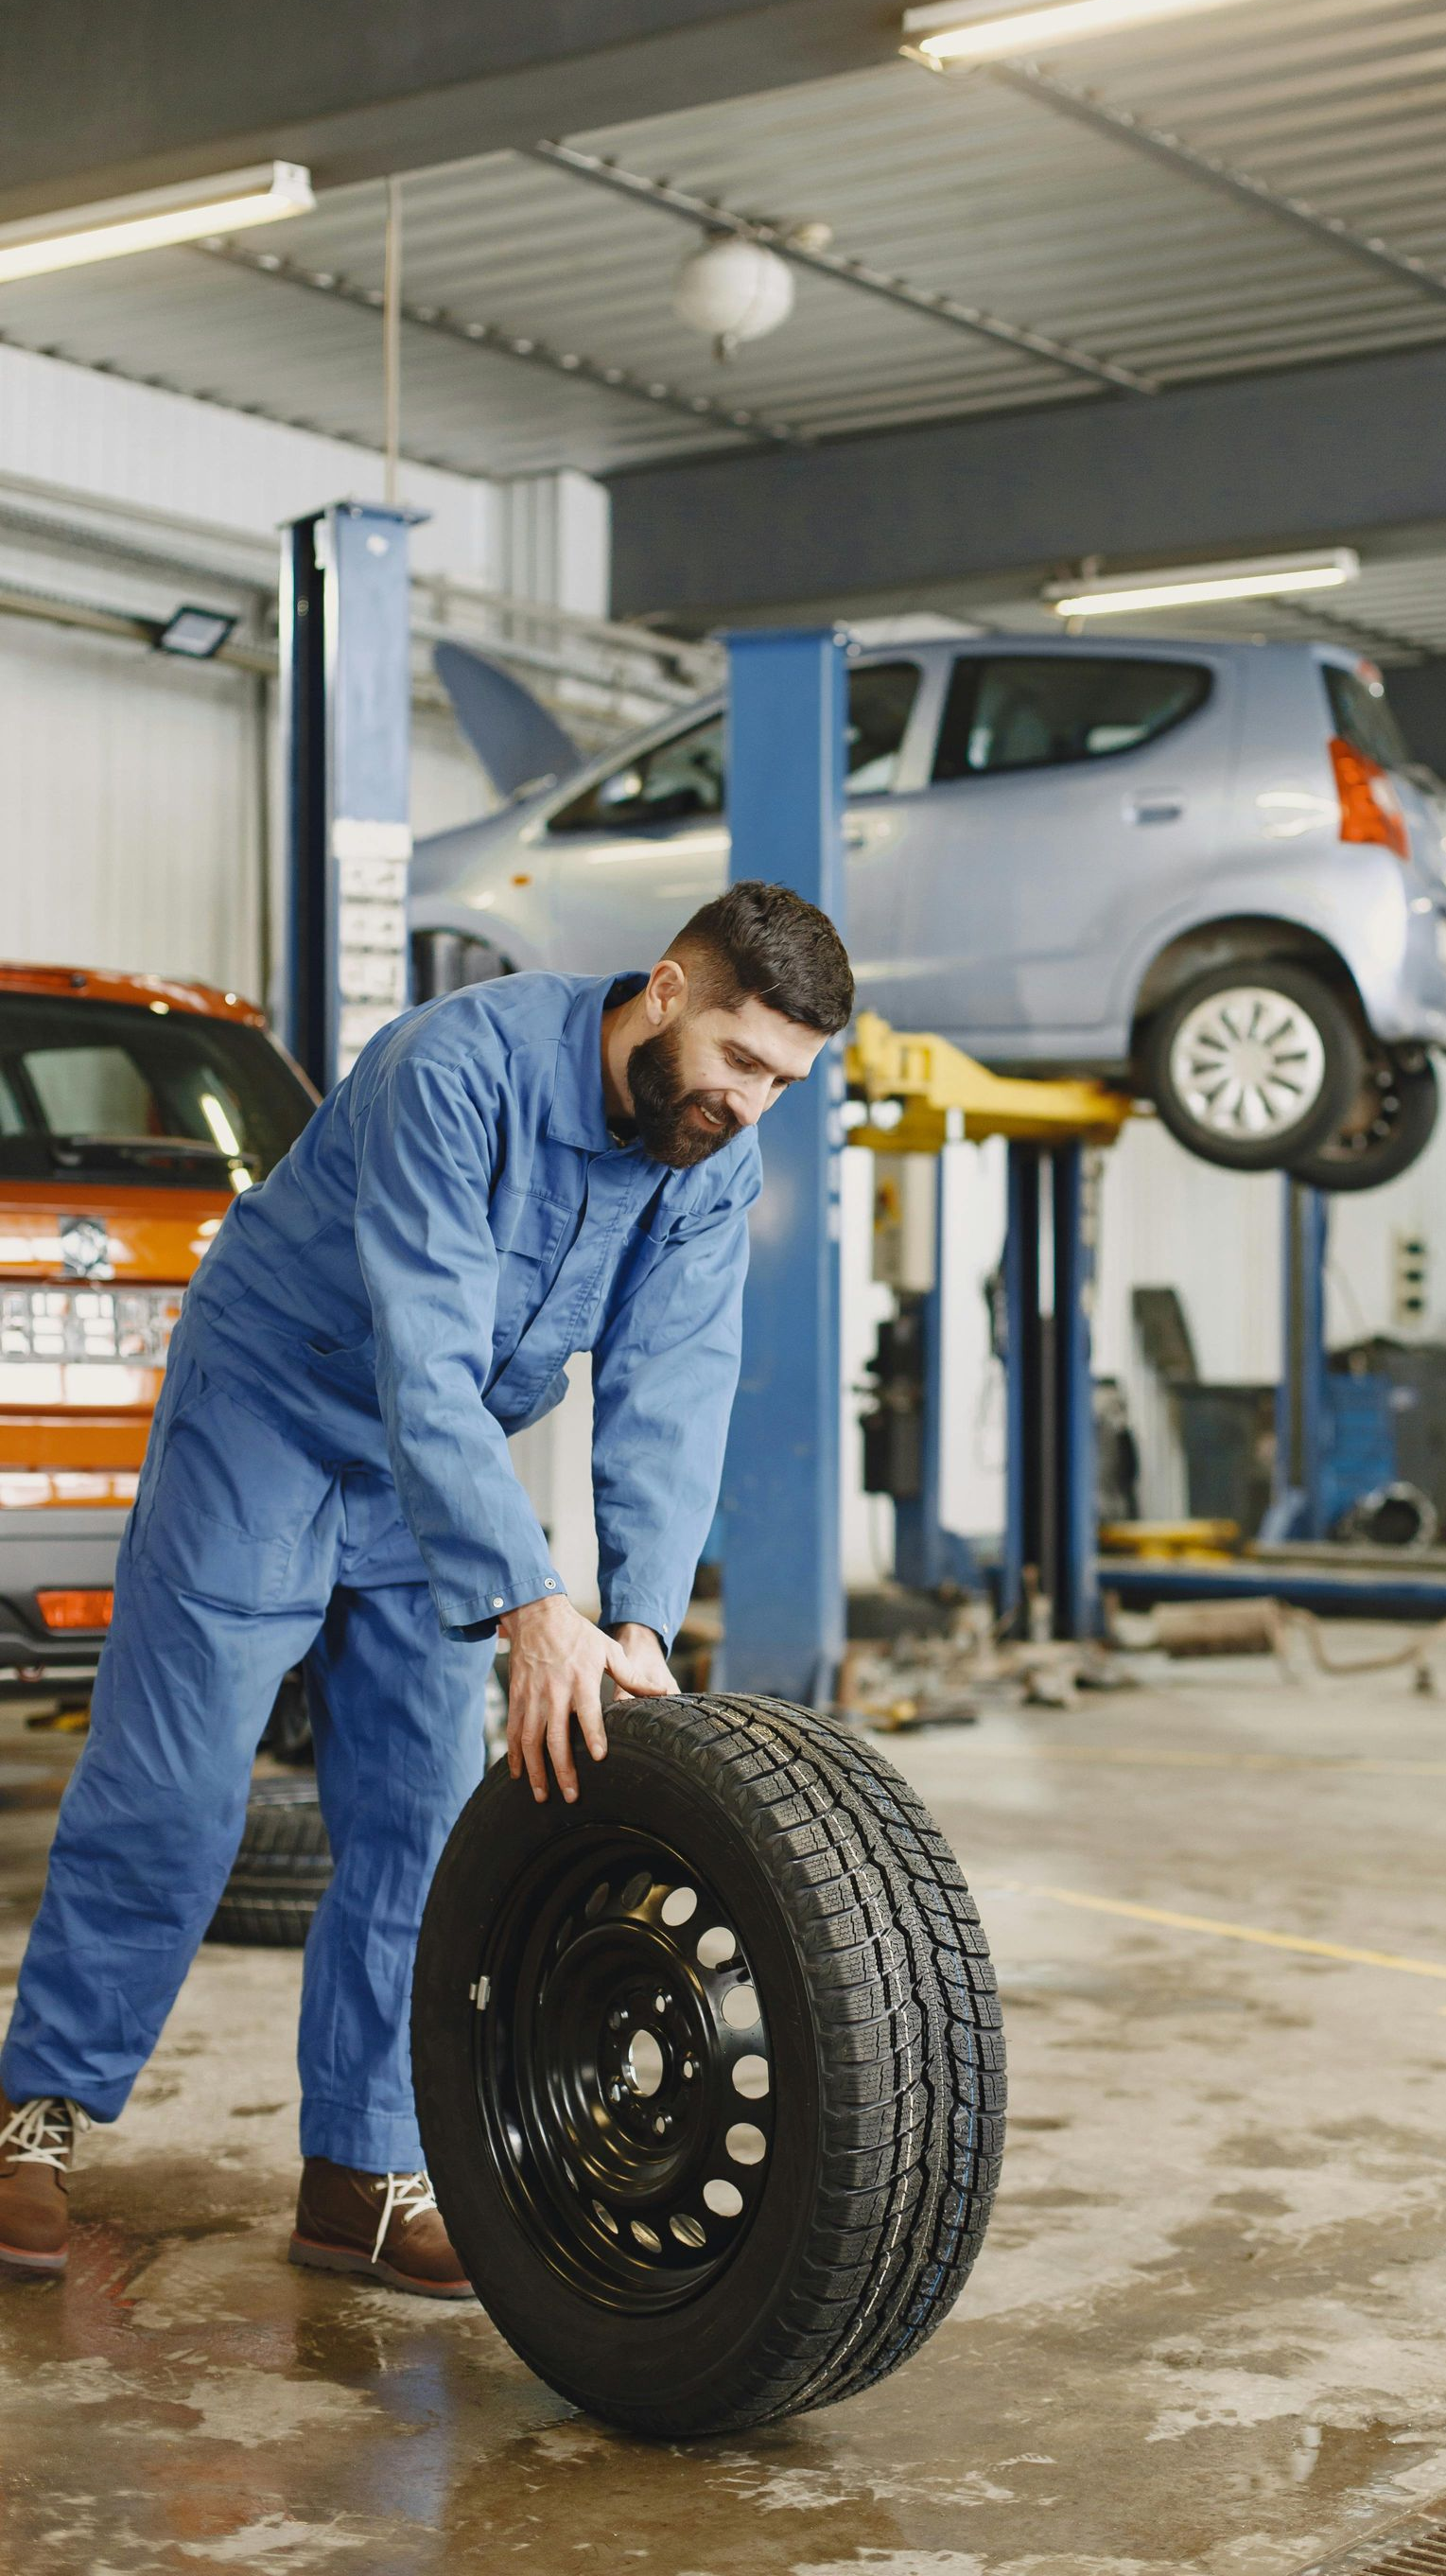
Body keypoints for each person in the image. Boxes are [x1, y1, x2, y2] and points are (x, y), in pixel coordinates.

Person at [0, 880, 853, 2290]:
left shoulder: (710, 1160)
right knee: (179, 1787)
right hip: (271, 1419)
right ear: (664, 991)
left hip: (430, 1478)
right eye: (741, 1060)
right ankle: (37, 2113)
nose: (754, 1102)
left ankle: (360, 2166)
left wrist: (632, 1615)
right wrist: (529, 1604)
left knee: (418, 1808)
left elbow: (672, 1388)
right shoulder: (453, 1071)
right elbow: (427, 1352)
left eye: (786, 1080)